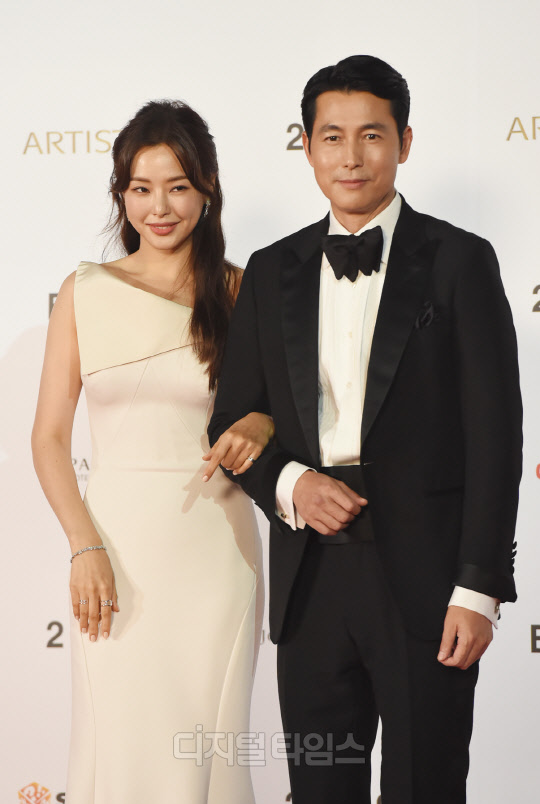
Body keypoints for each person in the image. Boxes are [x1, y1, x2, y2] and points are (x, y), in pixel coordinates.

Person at [208, 55, 522, 804]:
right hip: (310, 576)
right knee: (319, 789)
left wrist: (479, 589)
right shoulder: (270, 269)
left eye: (372, 136)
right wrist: (290, 484)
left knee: (426, 786)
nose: (351, 157)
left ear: (405, 142)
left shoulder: (459, 261)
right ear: (308, 145)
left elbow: (496, 435)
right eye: (332, 136)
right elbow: (231, 421)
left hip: (428, 579)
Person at [31, 100, 274, 804]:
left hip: (216, 554)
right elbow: (47, 438)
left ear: (207, 187)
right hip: (114, 549)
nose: (159, 207)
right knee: (118, 748)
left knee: (209, 755)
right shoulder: (84, 293)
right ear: (121, 195)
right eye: (141, 188)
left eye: (177, 187)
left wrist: (259, 423)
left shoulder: (238, 292)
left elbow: (280, 413)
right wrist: (84, 546)